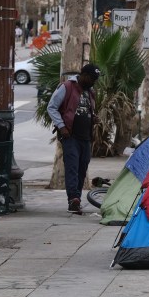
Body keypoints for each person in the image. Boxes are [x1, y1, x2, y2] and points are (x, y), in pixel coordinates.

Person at [46, 63, 101, 214]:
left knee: (82, 167)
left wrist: (93, 118)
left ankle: (77, 197)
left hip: (86, 137)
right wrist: (61, 126)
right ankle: (73, 200)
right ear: (83, 75)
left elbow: (86, 110)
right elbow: (51, 107)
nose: (93, 82)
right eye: (91, 78)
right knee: (72, 167)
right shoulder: (67, 87)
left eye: (95, 80)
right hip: (70, 136)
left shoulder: (90, 92)